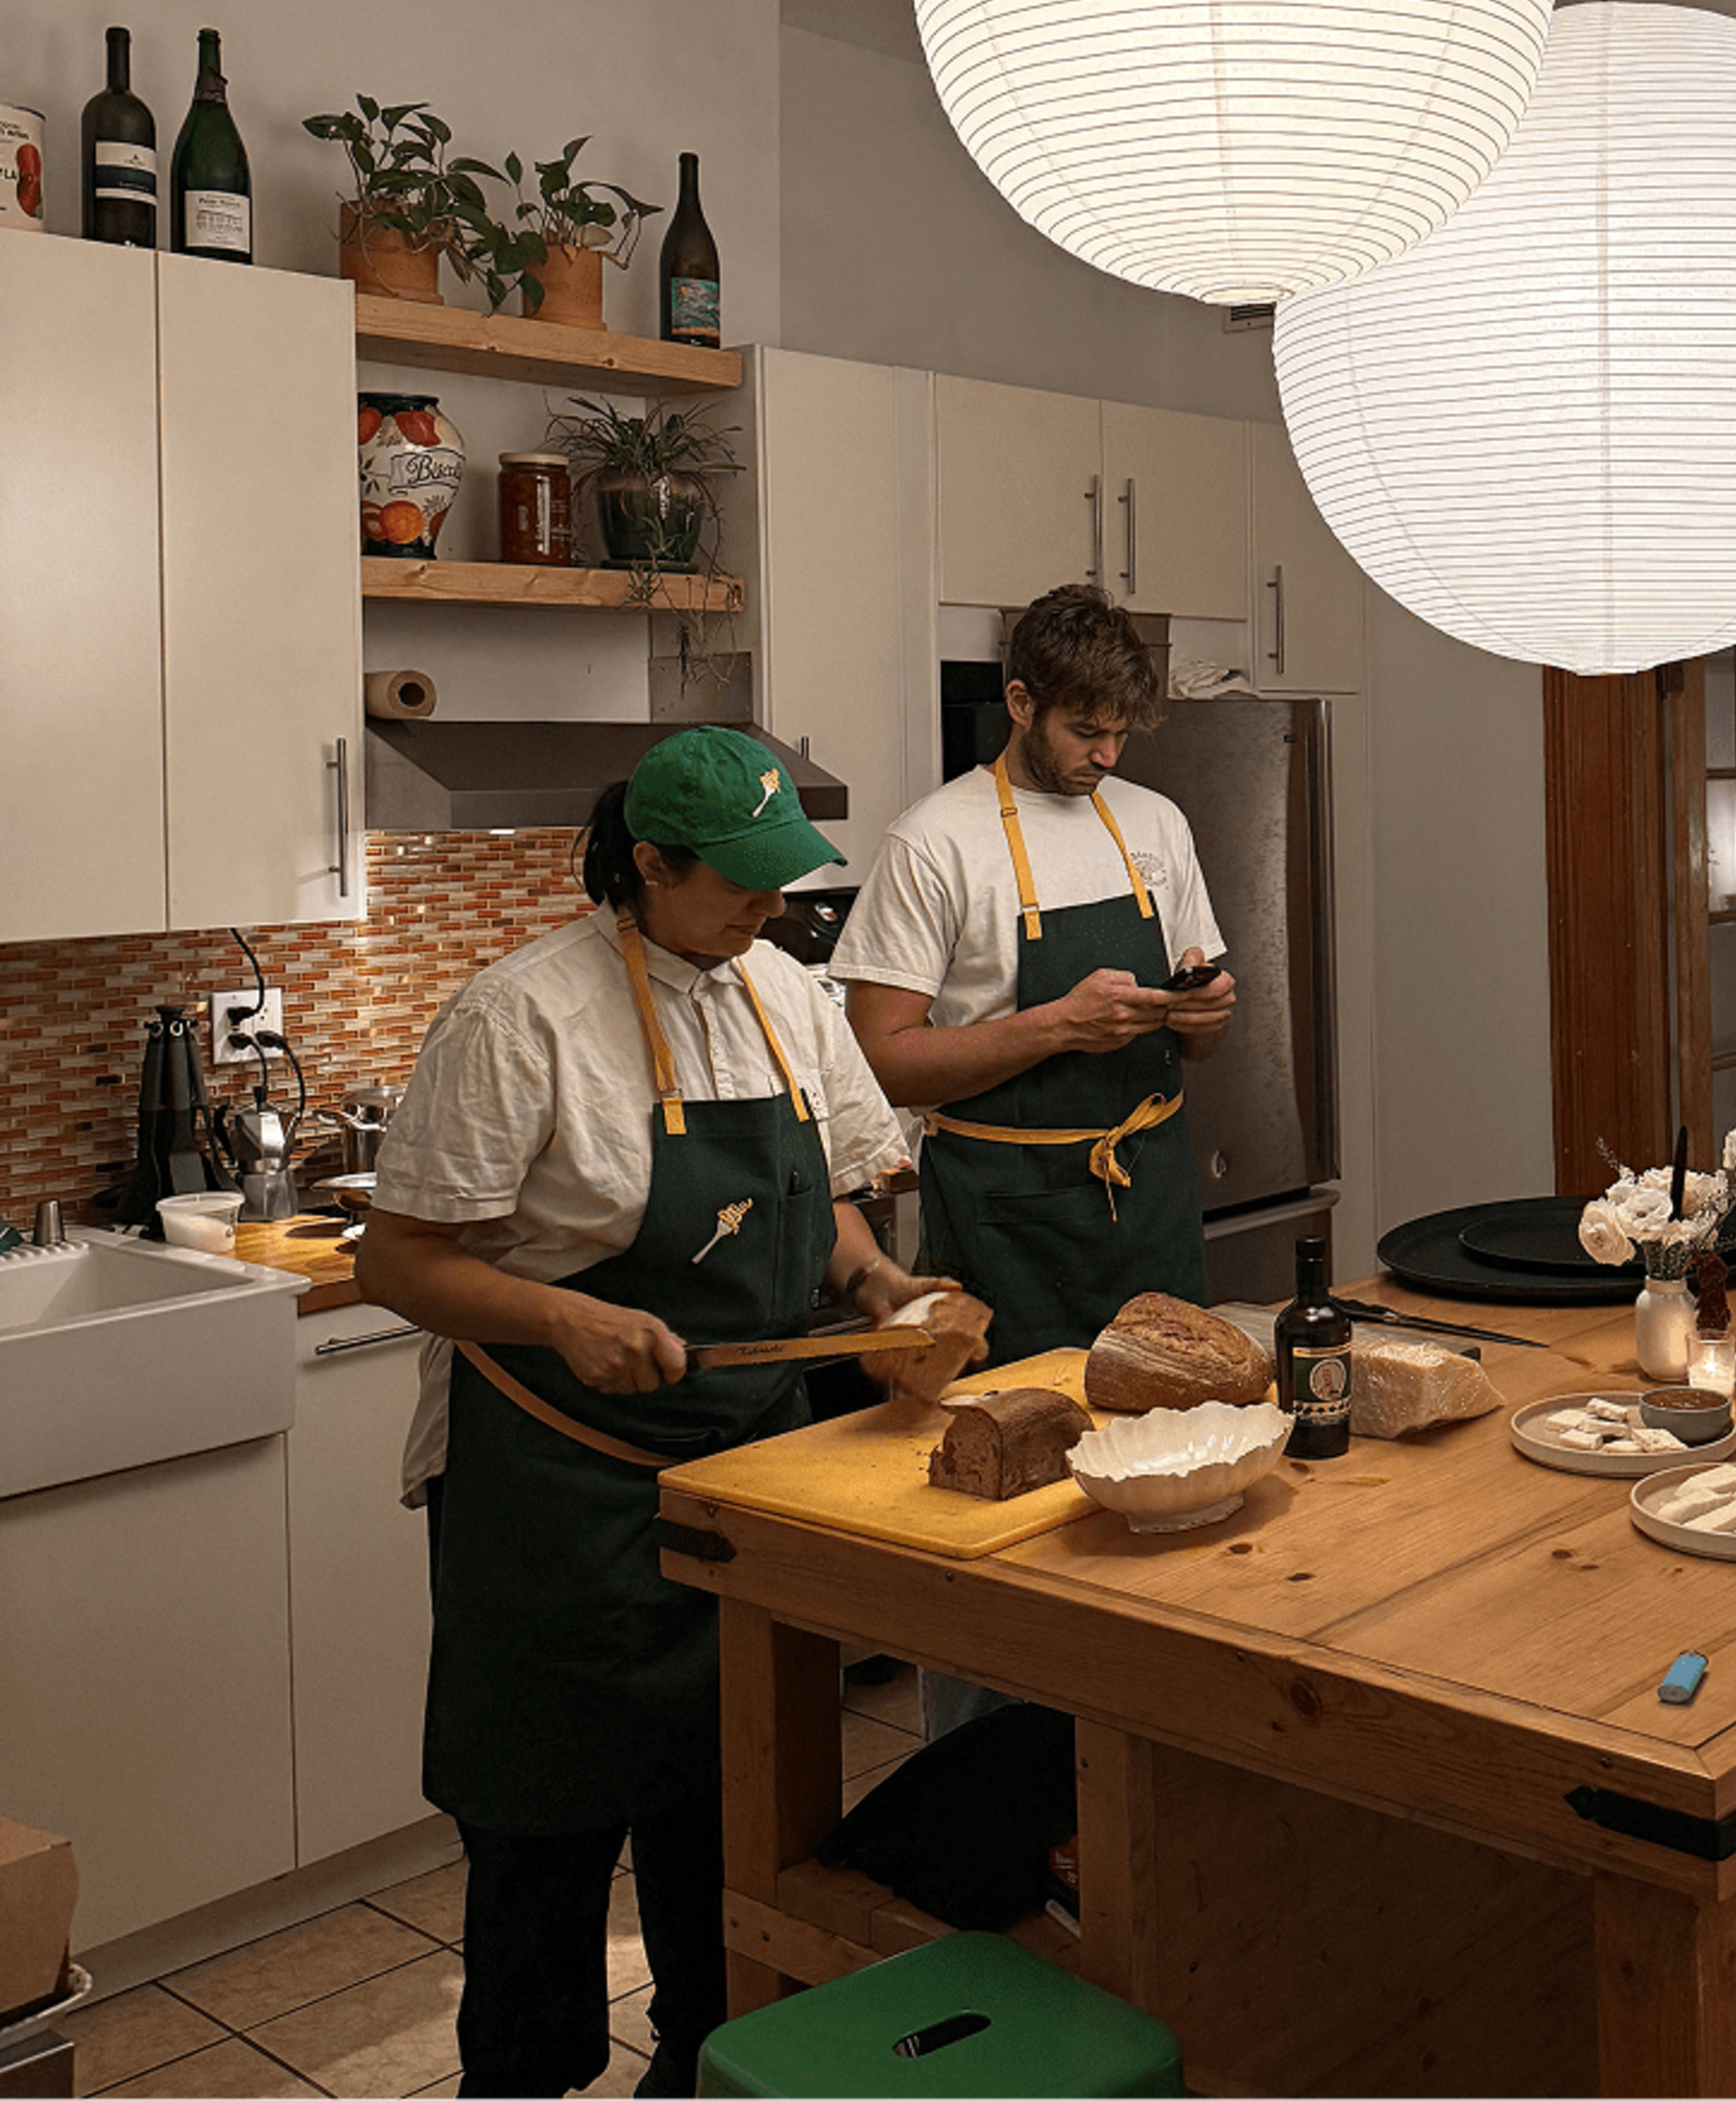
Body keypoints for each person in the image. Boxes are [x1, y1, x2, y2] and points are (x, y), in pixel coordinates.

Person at [357, 729, 946, 2101]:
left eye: (780, 885)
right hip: (557, 1493)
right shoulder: (520, 1016)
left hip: (747, 1481)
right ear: (647, 866)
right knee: (543, 1830)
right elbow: (398, 1260)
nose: (769, 912)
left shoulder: (787, 994)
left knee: (727, 1815)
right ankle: (520, 2078)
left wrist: (878, 1282)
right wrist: (564, 1313)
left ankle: (709, 2063)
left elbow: (834, 1198)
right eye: (738, 886)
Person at [833, 583, 1237, 1362]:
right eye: (1085, 731)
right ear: (1020, 702)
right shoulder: (935, 842)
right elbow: (879, 1062)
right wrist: (1056, 1026)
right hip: (1007, 1228)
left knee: (1180, 1451)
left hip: (1150, 1210)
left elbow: (1200, 1049)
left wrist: (1206, 1017)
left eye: (1121, 734)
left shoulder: (1156, 821)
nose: (1108, 757)